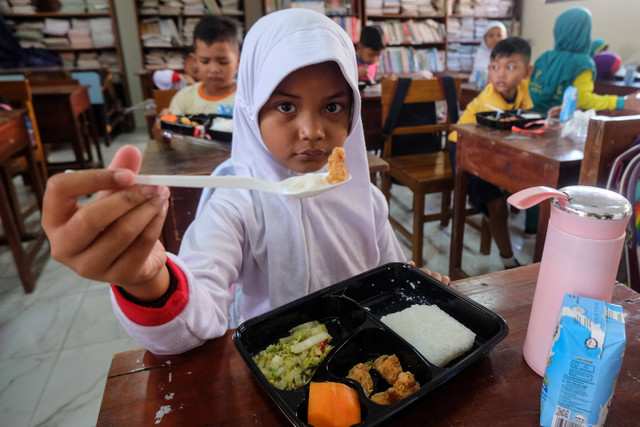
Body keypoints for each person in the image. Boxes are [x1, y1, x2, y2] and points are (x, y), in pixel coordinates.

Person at [41, 9, 449, 355]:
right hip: (273, 362)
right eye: (285, 105)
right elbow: (197, 316)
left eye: (333, 106)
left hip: (360, 352)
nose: (312, 130)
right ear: (251, 109)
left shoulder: (367, 199)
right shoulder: (236, 203)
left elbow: (391, 276)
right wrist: (147, 281)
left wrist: (416, 287)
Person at [449, 37, 534, 269]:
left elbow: (526, 120)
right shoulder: (489, 100)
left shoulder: (523, 89)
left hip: (496, 149)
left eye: (510, 67)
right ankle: (509, 261)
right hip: (465, 148)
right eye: (495, 67)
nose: (501, 75)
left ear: (527, 71)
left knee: (525, 177)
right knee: (498, 206)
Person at [529, 7, 640, 116]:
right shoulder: (582, 63)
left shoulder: (544, 57)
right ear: (585, 34)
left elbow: (528, 86)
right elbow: (583, 100)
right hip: (556, 120)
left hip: (529, 116)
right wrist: (620, 102)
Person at [165, 15, 240, 116]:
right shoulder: (184, 98)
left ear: (238, 61)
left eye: (223, 62)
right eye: (205, 61)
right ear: (194, 61)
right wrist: (160, 128)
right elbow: (169, 129)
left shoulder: (247, 98)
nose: (214, 69)